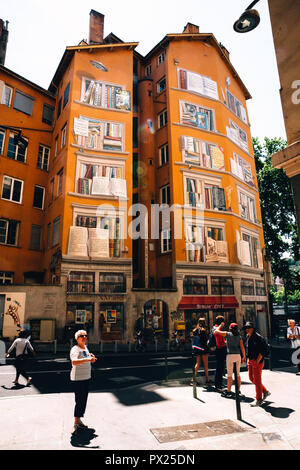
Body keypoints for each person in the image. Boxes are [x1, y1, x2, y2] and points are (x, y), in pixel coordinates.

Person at [70, 330, 97, 435]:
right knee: (79, 401)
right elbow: (74, 362)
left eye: (85, 335)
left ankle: (79, 420)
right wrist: (88, 359)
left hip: (86, 377)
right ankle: (75, 423)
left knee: (83, 400)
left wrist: (91, 357)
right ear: (77, 338)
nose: (84, 337)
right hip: (78, 378)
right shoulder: (75, 349)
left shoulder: (85, 347)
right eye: (82, 336)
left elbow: (87, 357)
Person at [214, 323, 246, 398]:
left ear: (230, 328)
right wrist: (244, 356)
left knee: (229, 375)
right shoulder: (239, 336)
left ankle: (228, 391)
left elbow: (216, 331)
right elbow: (242, 347)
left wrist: (220, 325)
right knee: (238, 374)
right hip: (238, 356)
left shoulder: (227, 334)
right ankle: (238, 390)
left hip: (230, 356)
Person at [243, 321, 271, 406]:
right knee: (252, 378)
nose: (247, 329)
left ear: (253, 328)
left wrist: (257, 361)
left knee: (257, 380)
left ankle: (259, 399)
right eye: (246, 328)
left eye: (249, 328)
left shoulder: (258, 337)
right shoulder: (247, 336)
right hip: (250, 360)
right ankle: (265, 391)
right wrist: (246, 358)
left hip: (257, 361)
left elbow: (264, 350)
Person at [190, 318, 212, 386]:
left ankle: (193, 380)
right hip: (204, 349)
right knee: (206, 365)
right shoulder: (203, 331)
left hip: (197, 349)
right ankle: (207, 380)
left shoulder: (195, 330)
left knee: (197, 364)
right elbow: (204, 342)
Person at [213, 315, 227, 392]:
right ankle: (218, 385)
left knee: (220, 367)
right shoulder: (218, 330)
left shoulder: (215, 327)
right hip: (220, 350)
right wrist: (226, 343)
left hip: (219, 350)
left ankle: (219, 383)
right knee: (219, 368)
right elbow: (219, 343)